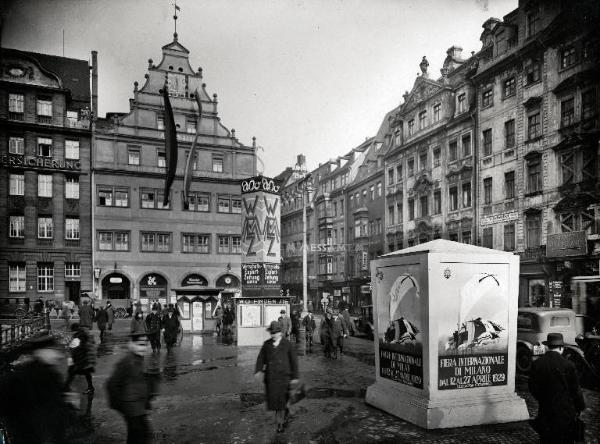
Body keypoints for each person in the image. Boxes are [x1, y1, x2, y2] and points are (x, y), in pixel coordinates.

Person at [0, 332, 70, 444]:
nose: (58, 355)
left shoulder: (49, 373)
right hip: (34, 435)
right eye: (52, 349)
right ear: (41, 351)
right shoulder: (23, 377)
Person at [529, 332, 586, 443]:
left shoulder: (538, 364)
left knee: (547, 439)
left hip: (546, 412)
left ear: (548, 346)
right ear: (561, 348)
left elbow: (532, 387)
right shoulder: (569, 365)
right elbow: (576, 391)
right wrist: (580, 407)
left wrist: (543, 398)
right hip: (566, 414)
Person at [106, 334, 154, 444]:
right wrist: (121, 406)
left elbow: (140, 383)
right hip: (131, 409)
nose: (143, 348)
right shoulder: (127, 362)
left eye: (145, 345)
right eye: (140, 345)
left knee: (137, 435)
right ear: (132, 345)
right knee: (141, 435)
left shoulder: (139, 359)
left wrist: (146, 400)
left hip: (138, 407)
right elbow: (111, 384)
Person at [254, 321, 299, 433]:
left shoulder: (287, 344)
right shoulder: (267, 344)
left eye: (276, 332)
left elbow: (294, 362)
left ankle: (281, 421)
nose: (273, 335)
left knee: (282, 402)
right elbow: (260, 358)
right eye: (272, 333)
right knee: (276, 402)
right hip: (271, 379)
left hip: (285, 378)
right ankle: (282, 419)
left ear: (280, 333)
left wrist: (294, 377)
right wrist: (258, 370)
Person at [64, 323, 97, 394]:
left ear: (74, 330)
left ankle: (66, 387)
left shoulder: (79, 336)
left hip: (81, 358)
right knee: (85, 372)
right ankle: (90, 388)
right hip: (84, 357)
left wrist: (70, 348)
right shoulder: (82, 334)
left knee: (73, 372)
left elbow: (76, 348)